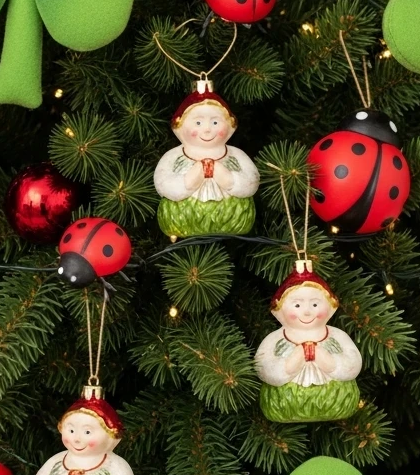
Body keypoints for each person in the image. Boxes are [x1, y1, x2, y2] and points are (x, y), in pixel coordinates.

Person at [254, 268, 362, 423]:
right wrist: (289, 365)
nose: (307, 312)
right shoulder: (275, 338)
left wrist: (330, 363)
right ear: (279, 309)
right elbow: (262, 366)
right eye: (297, 305)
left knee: (341, 397)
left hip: (336, 402)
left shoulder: (337, 336)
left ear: (330, 305)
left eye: (315, 304)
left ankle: (337, 404)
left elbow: (354, 362)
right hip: (285, 405)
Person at [154, 87, 259, 237]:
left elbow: (252, 181)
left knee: (237, 213)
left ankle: (234, 226)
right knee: (176, 216)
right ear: (180, 125)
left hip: (232, 217)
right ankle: (179, 229)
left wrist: (229, 180)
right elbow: (162, 182)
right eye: (198, 123)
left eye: (215, 122)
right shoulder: (174, 156)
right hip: (183, 218)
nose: (207, 130)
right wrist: (187, 182)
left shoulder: (236, 155)